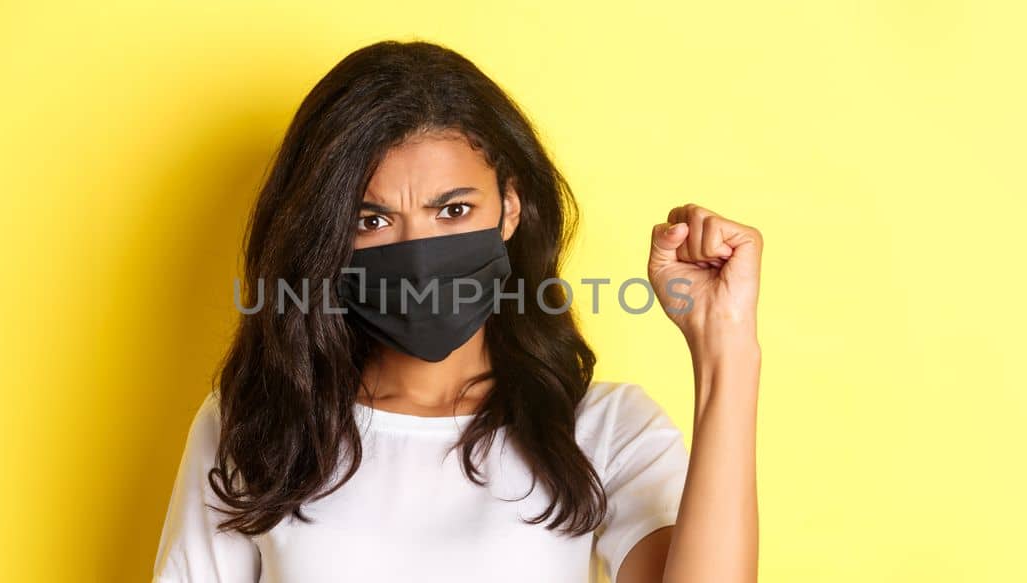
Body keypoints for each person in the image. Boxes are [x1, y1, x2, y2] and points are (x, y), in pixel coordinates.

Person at [154, 40, 762, 583]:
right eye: (372, 220)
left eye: (453, 211)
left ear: (510, 209)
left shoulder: (602, 430)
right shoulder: (259, 425)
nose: (418, 257)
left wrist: (726, 352)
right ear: (327, 237)